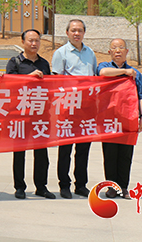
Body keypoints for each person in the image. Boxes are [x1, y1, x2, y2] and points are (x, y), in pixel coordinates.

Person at [6, 28, 55, 200]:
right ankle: (19, 187)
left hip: (40, 114)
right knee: (19, 153)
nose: (34, 44)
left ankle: (41, 187)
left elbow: (50, 86)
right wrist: (29, 77)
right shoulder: (14, 62)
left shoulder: (44, 63)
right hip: (20, 114)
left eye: (37, 40)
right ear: (23, 42)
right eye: (30, 40)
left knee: (42, 153)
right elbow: (9, 85)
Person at [98, 39, 142, 199]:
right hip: (109, 120)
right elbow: (103, 73)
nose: (118, 50)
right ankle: (111, 187)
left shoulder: (136, 73)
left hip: (129, 119)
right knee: (110, 154)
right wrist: (125, 72)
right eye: (114, 48)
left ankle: (123, 187)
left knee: (125, 155)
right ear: (109, 52)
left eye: (121, 47)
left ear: (127, 51)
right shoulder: (104, 66)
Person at [51, 18, 97, 199]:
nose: (76, 33)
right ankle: (64, 185)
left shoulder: (90, 53)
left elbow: (94, 77)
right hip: (68, 108)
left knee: (83, 149)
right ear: (67, 33)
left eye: (80, 30)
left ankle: (81, 184)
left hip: (86, 108)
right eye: (73, 30)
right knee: (65, 150)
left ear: (84, 33)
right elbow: (56, 81)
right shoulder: (60, 53)